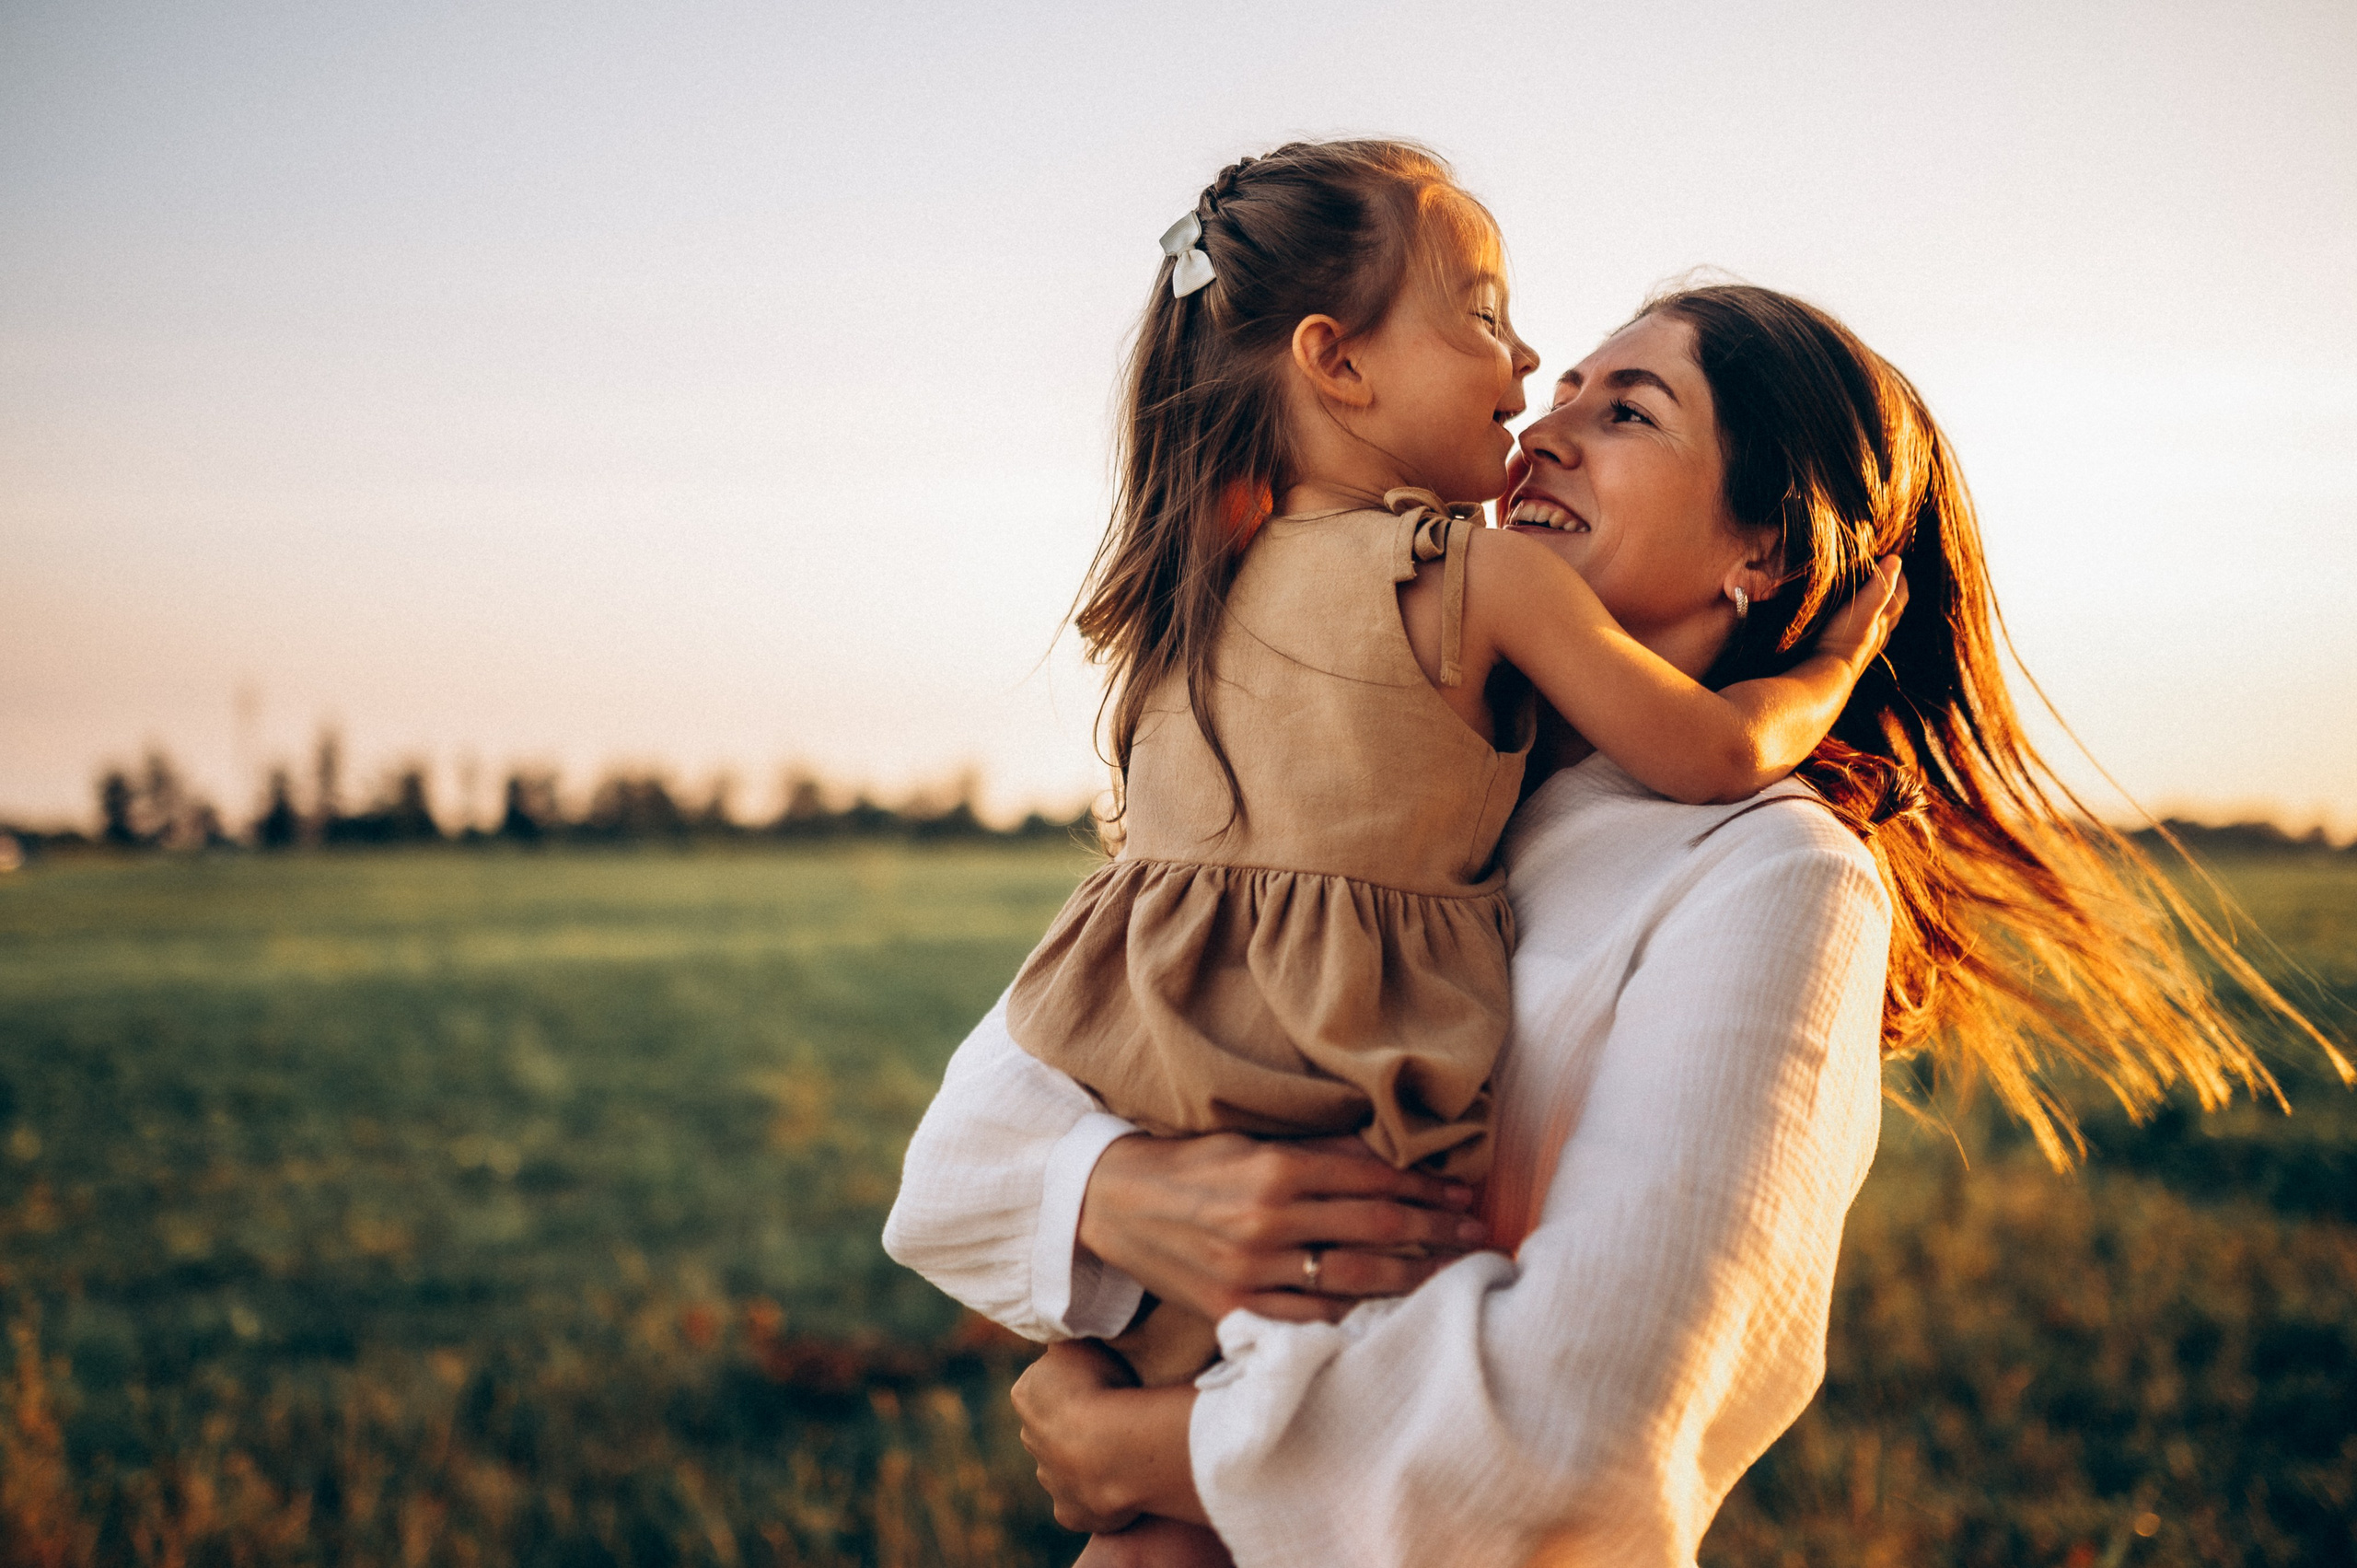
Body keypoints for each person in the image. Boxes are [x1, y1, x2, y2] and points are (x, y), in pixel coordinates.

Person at [887, 280, 2344, 1566]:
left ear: (1764, 552)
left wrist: (1154, 1458)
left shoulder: (1776, 878)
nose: (1541, 434)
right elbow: (958, 1162)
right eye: (1559, 391)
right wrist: (1120, 1197)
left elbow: (1585, 1431)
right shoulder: (1400, 799)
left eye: (1628, 410)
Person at [995, 139, 1904, 1392]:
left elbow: (1597, 1401)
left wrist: (1126, 1418)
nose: (1537, 402)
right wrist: (1827, 676)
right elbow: (1726, 749)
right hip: (1337, 1258)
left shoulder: (1199, 597)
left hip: (1188, 1269)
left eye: (1628, 410)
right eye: (1493, 322)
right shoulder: (1466, 603)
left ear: (1768, 545)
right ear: (1337, 360)